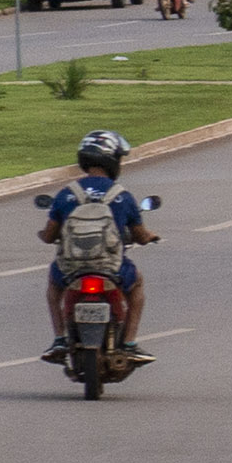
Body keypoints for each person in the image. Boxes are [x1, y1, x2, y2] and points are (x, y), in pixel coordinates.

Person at [40, 130, 158, 364]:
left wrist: (45, 235)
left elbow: (50, 233)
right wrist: (151, 236)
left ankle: (60, 339)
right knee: (137, 286)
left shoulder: (67, 195)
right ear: (112, 160)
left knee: (54, 290)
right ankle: (130, 343)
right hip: (111, 268)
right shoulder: (121, 197)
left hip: (71, 269)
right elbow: (140, 235)